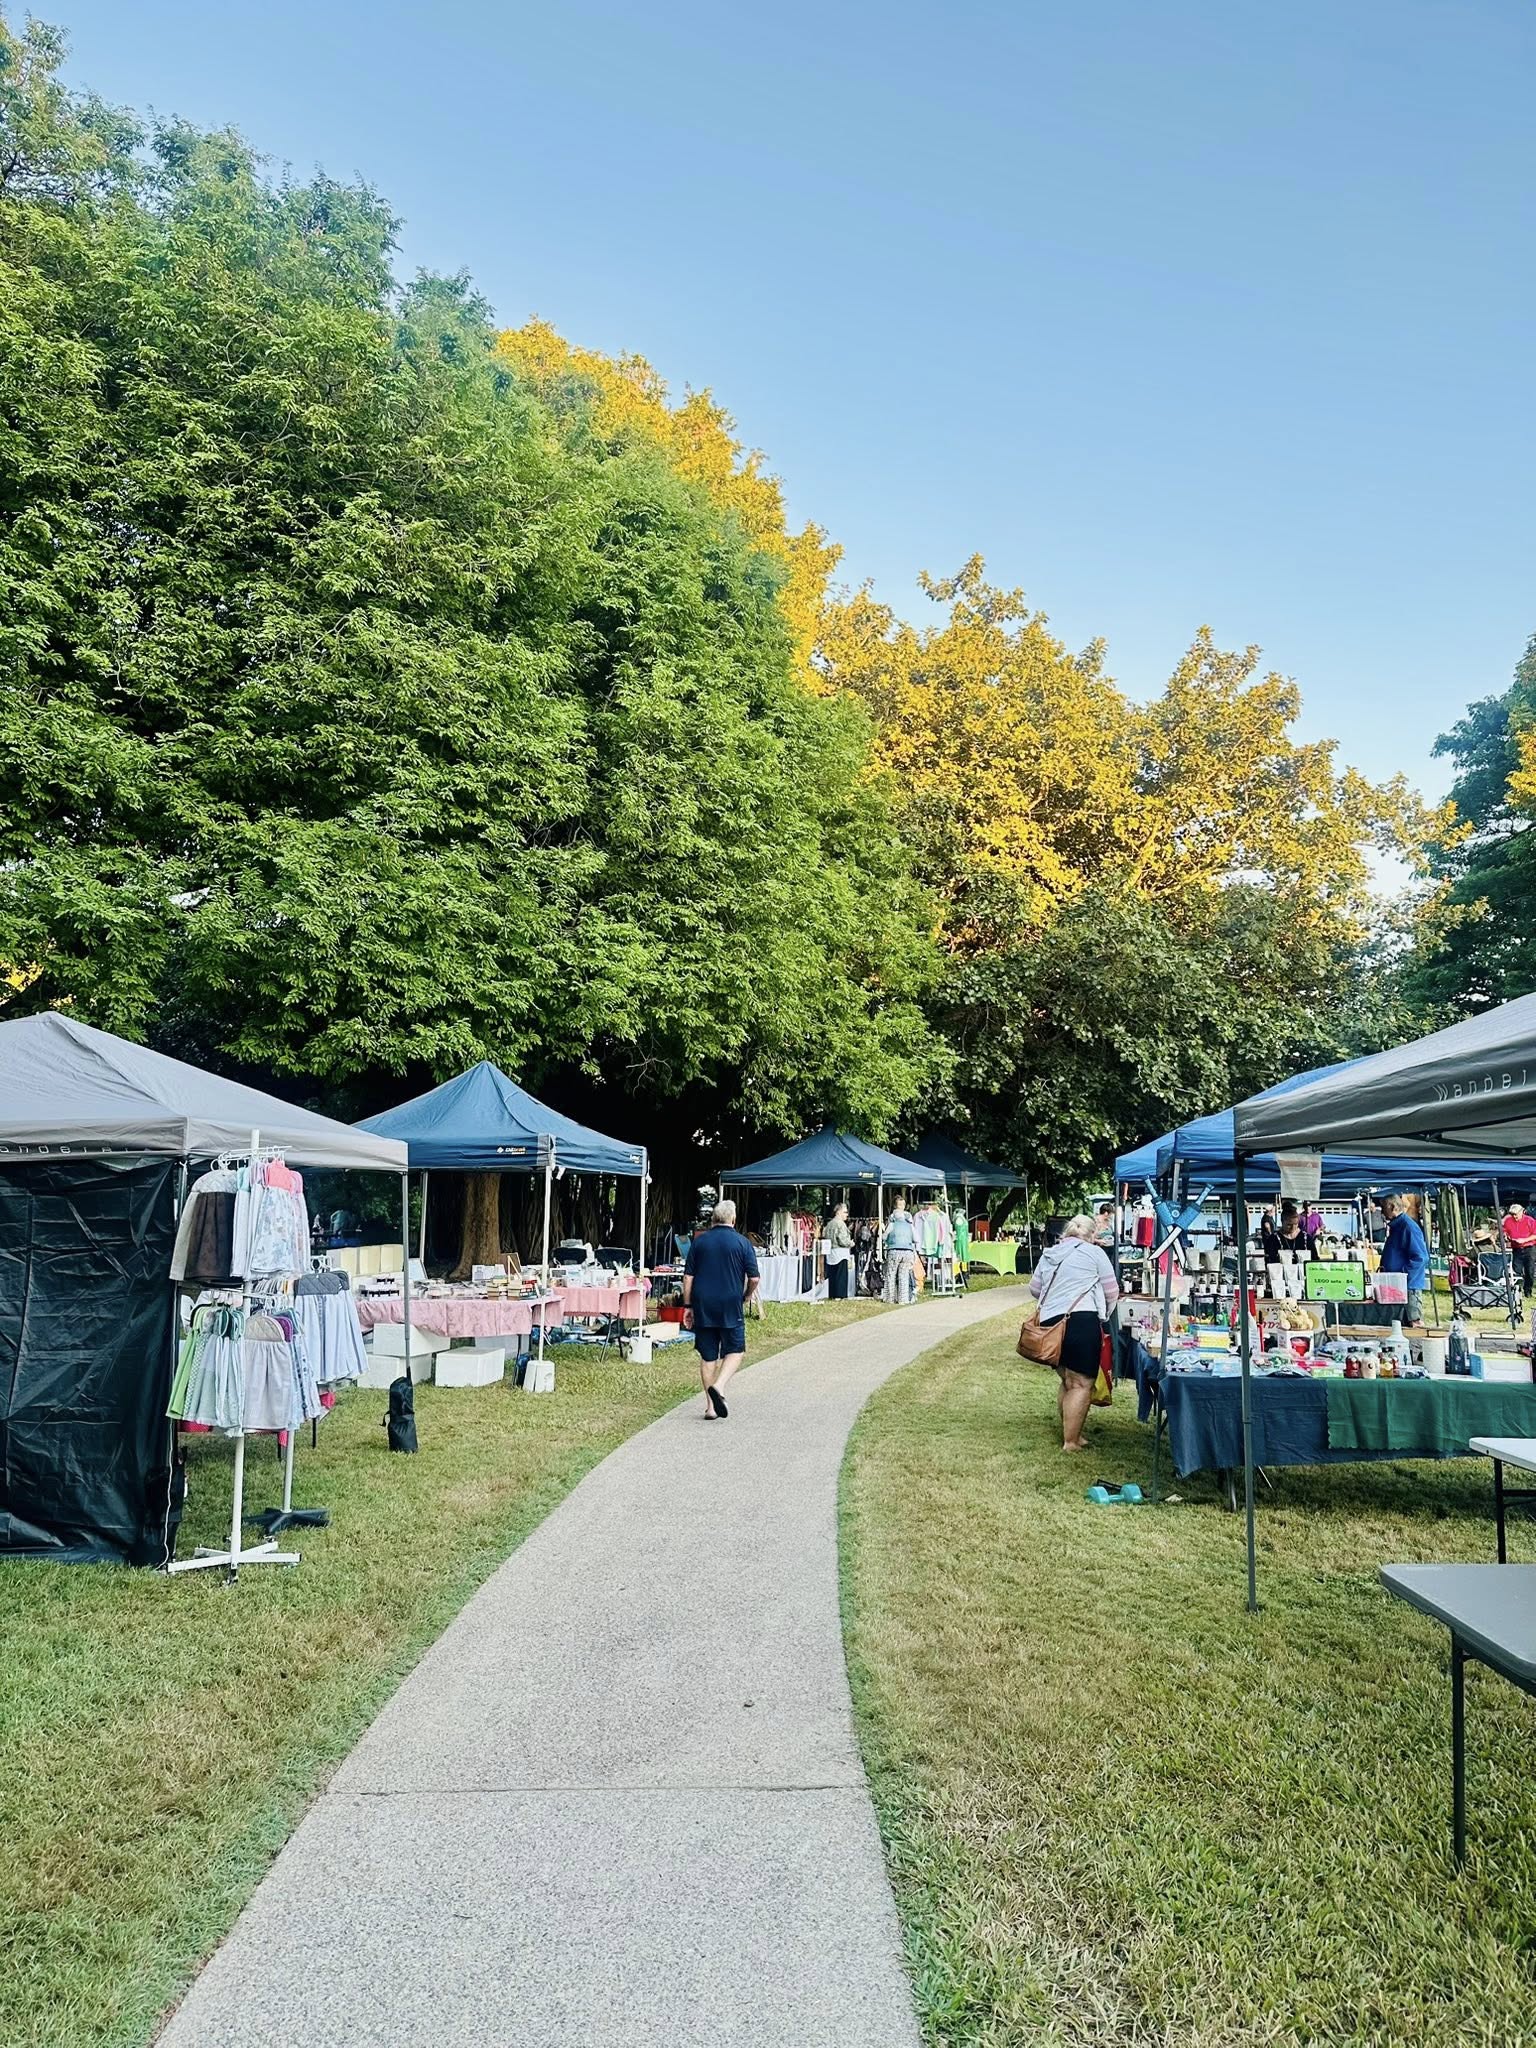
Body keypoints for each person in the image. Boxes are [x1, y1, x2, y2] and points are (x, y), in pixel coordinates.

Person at [1030, 1214, 1120, 1453]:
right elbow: (1112, 1291)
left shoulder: (1049, 1254)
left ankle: (1073, 1434)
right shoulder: (1095, 1253)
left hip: (1051, 1323)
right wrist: (1105, 1316)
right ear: (1092, 1234)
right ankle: (1071, 1441)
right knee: (1081, 1383)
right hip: (1081, 1321)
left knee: (1068, 1380)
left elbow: (1035, 1289)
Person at [682, 1199, 760, 1419]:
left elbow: (688, 1277)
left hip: (703, 1304)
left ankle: (711, 1408)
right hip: (730, 1303)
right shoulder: (742, 1243)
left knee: (708, 1355)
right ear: (733, 1219)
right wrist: (747, 1295)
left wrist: (688, 1306)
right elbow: (754, 1278)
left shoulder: (699, 1242)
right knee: (736, 1350)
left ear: (713, 1219)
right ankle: (719, 1386)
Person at [1378, 1194, 1430, 1325]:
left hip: (1408, 1286)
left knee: (1413, 1323)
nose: (1382, 1212)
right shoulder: (1397, 1226)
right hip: (1396, 1285)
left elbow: (1421, 1257)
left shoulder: (1408, 1226)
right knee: (1397, 1323)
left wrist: (1403, 1274)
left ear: (1392, 1207)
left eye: (1384, 1208)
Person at [881, 1197, 919, 1304]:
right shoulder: (909, 1223)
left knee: (891, 1275)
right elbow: (916, 1239)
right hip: (907, 1251)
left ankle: (889, 1298)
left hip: (894, 1250)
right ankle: (903, 1299)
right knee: (904, 1275)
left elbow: (884, 1237)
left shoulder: (892, 1222)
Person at [1501, 1201, 1536, 1299]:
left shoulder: (1530, 1220)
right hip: (1516, 1248)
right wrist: (1506, 1236)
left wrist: (1524, 1240)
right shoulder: (1508, 1221)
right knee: (1516, 1269)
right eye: (1512, 1215)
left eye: (1516, 1214)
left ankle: (1528, 1291)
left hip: (1529, 1248)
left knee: (1529, 1270)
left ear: (1522, 1212)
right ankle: (1517, 1288)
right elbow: (1504, 1231)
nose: (1514, 1217)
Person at [825, 1201, 854, 1300]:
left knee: (832, 1275)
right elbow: (842, 1240)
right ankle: (840, 1295)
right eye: (845, 1212)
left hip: (831, 1252)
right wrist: (851, 1243)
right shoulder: (840, 1224)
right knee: (841, 1275)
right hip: (840, 1253)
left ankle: (832, 1294)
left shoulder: (829, 1224)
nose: (847, 1214)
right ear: (838, 1212)